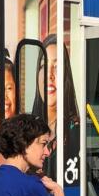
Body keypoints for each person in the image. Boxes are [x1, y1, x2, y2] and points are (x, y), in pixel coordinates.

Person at [32, 35, 80, 185]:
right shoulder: (26, 131)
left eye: (57, 66)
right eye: (43, 66)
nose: (49, 74)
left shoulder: (77, 132)